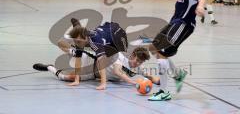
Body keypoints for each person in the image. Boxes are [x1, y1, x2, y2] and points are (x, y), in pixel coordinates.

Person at [136, 0, 205, 101]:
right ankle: (177, 74)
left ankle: (163, 92)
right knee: (153, 47)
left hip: (183, 25)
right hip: (174, 23)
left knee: (162, 53)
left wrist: (200, 6)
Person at [57, 19, 128, 90]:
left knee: (104, 57)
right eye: (75, 41)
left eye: (78, 42)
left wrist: (103, 83)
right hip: (103, 32)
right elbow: (78, 60)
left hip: (117, 35)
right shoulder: (81, 39)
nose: (76, 44)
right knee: (78, 48)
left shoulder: (95, 42)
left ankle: (77, 27)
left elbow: (101, 62)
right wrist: (76, 80)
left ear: (85, 38)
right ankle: (77, 27)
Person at [32, 47, 161, 85]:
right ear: (132, 56)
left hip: (93, 74)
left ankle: (50, 68)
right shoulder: (119, 58)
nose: (137, 64)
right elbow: (118, 72)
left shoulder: (137, 67)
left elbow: (150, 76)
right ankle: (72, 43)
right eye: (137, 60)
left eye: (140, 63)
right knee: (76, 52)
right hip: (91, 63)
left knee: (65, 78)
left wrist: (155, 81)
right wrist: (133, 83)